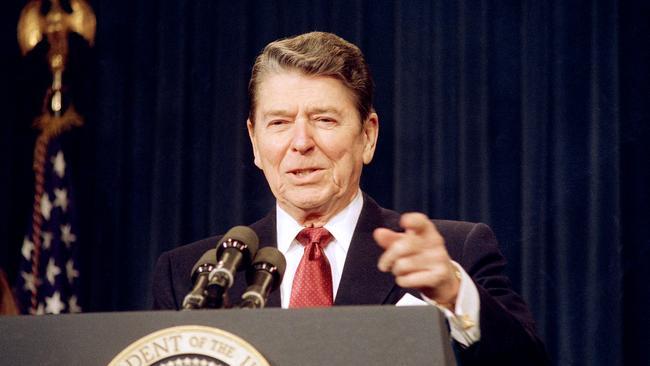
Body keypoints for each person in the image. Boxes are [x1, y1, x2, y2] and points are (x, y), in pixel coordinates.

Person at [153, 31, 549, 364]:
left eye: (324, 119)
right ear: (255, 141)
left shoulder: (451, 254)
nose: (302, 142)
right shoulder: (192, 275)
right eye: (279, 123)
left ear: (368, 135)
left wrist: (453, 292)